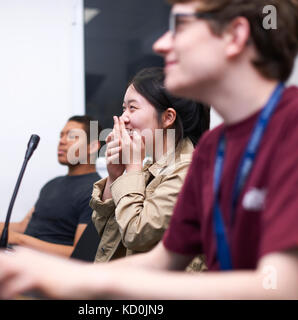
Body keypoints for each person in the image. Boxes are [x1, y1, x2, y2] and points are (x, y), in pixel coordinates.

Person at [0, 0, 298, 299]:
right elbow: (161, 261)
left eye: (179, 25)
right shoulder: (213, 148)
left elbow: (282, 288)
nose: (161, 43)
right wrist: (44, 270)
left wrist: (74, 278)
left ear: (236, 36)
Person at [90, 67, 210, 262]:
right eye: (123, 108)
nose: (123, 118)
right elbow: (107, 234)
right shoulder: (149, 167)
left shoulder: (188, 171)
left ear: (168, 117)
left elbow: (135, 234)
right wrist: (114, 177)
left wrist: (133, 168)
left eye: (132, 108)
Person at [0, 115, 101, 257]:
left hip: (45, 270)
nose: (62, 141)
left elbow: (79, 254)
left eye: (72, 136)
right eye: (61, 135)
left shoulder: (97, 191)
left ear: (93, 147)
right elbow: (23, 227)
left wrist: (19, 240)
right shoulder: (52, 185)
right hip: (20, 257)